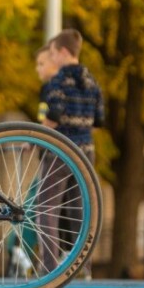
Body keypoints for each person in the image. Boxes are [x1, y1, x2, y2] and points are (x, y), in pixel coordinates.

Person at [35, 29, 104, 274]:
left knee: (46, 208)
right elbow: (99, 120)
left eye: (53, 53)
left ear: (64, 52)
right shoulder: (92, 81)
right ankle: (83, 268)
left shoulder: (59, 80)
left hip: (61, 149)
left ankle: (49, 268)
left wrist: (35, 135)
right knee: (80, 209)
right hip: (86, 150)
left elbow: (54, 114)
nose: (52, 58)